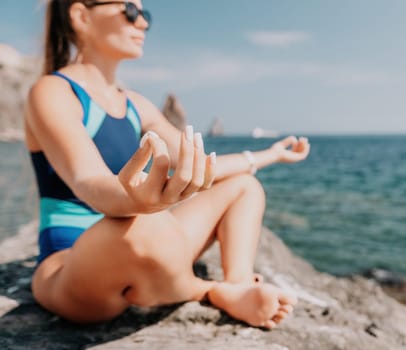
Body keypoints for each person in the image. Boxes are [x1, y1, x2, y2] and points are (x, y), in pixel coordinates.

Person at [24, 0, 311, 329]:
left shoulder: (135, 103)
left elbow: (201, 165)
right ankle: (211, 290)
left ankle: (240, 283)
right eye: (130, 11)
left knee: (244, 187)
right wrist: (139, 202)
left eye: (144, 14)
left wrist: (270, 155)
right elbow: (88, 180)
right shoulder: (52, 91)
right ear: (81, 15)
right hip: (72, 263)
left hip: (145, 241)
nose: (142, 23)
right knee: (144, 225)